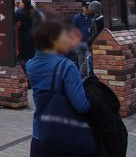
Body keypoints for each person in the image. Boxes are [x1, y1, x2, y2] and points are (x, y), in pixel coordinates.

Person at [26, 22, 91, 156]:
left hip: (40, 134)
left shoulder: (30, 65)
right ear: (52, 40)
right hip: (66, 136)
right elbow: (82, 106)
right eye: (65, 36)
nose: (69, 40)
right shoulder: (67, 66)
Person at [71, 2, 94, 77]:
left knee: (87, 60)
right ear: (82, 8)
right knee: (81, 60)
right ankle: (82, 78)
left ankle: (87, 77)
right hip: (80, 42)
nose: (87, 9)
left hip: (88, 42)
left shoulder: (92, 17)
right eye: (86, 7)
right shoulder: (77, 17)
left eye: (88, 7)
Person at [15, 0, 39, 64]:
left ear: (23, 3)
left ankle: (26, 67)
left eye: (20, 2)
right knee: (31, 52)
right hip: (32, 35)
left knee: (23, 55)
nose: (19, 3)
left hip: (23, 35)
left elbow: (14, 21)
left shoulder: (19, 13)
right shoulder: (34, 11)